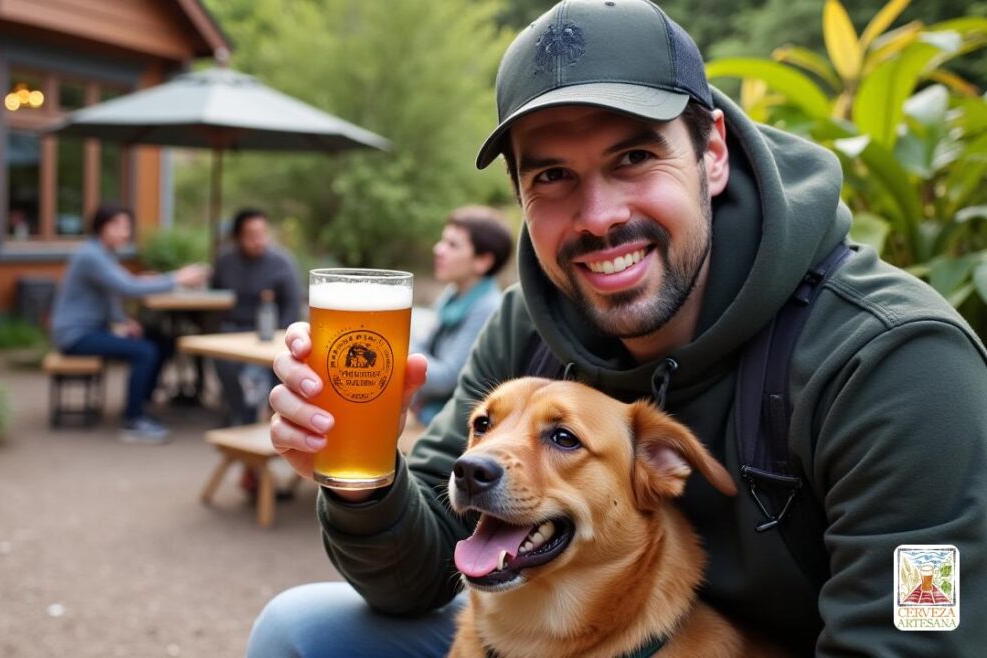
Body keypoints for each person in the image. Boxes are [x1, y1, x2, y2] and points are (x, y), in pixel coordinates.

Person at [251, 1, 987, 656]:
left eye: (634, 158)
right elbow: (419, 576)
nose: (599, 217)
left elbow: (918, 637)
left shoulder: (896, 365)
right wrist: (364, 482)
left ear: (713, 153)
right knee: (303, 630)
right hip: (560, 634)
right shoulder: (527, 328)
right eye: (551, 176)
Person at [51, 204, 207, 444]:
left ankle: (142, 403)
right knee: (145, 351)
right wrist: (177, 278)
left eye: (127, 227)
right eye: (118, 226)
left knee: (161, 342)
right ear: (101, 226)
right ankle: (133, 420)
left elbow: (109, 294)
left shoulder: (103, 253)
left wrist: (123, 320)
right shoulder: (91, 255)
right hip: (75, 335)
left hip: (92, 330)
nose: (124, 232)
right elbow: (128, 287)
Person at [412, 206, 513, 425]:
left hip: (453, 423)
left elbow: (446, 378)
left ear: (483, 261)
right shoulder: (453, 295)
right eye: (442, 241)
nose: (438, 249)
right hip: (425, 413)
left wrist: (399, 341)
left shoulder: (488, 308)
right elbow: (424, 347)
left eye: (452, 245)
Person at [210, 208, 302, 426]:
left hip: (268, 331)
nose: (257, 241)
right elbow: (214, 297)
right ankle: (240, 414)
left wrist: (279, 335)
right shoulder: (225, 261)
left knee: (259, 370)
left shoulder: (282, 262)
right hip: (232, 330)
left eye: (261, 234)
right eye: (250, 235)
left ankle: (253, 415)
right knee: (222, 360)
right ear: (238, 237)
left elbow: (292, 305)